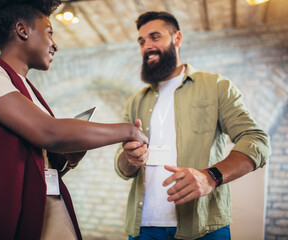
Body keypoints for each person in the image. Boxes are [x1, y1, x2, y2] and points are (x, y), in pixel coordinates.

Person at [0, 1, 148, 239]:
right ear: (23, 30)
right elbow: (48, 132)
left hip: (47, 206)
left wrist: (67, 160)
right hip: (4, 217)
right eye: (49, 32)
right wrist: (128, 130)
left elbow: (34, 166)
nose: (55, 44)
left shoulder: (29, 91)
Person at [114, 11, 271, 240]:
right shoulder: (135, 101)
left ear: (177, 38)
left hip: (205, 227)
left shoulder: (217, 86)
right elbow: (121, 167)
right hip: (143, 228)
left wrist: (210, 177)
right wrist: (129, 159)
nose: (146, 45)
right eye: (141, 41)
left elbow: (257, 140)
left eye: (154, 37)